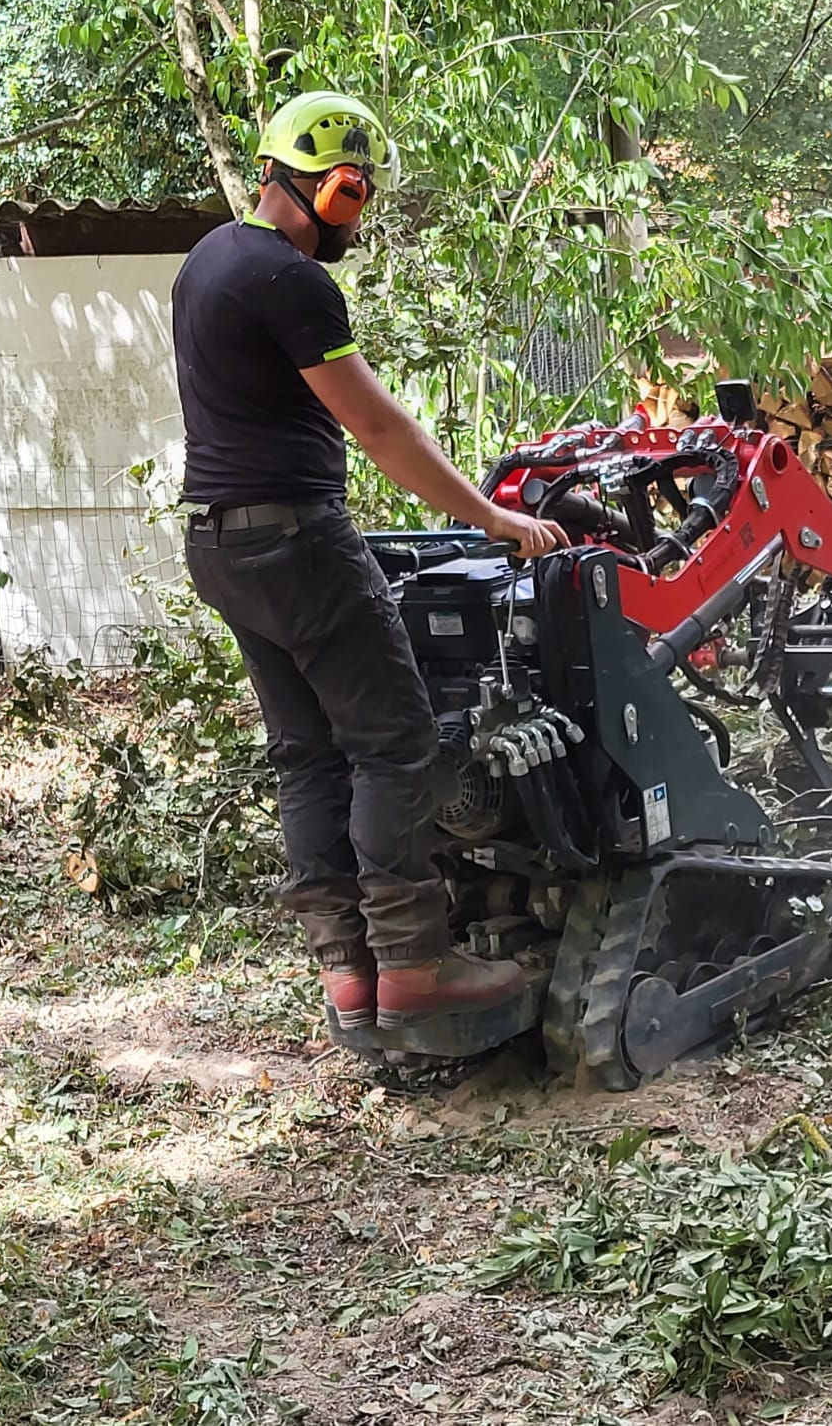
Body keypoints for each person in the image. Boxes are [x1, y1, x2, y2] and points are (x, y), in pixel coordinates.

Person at [171, 89, 566, 1036]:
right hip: (296, 542)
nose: (360, 213)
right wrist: (490, 518)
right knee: (396, 743)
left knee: (307, 751)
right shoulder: (290, 280)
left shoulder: (205, 262)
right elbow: (379, 424)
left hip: (218, 545)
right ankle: (417, 968)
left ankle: (349, 973)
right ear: (308, 186)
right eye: (353, 192)